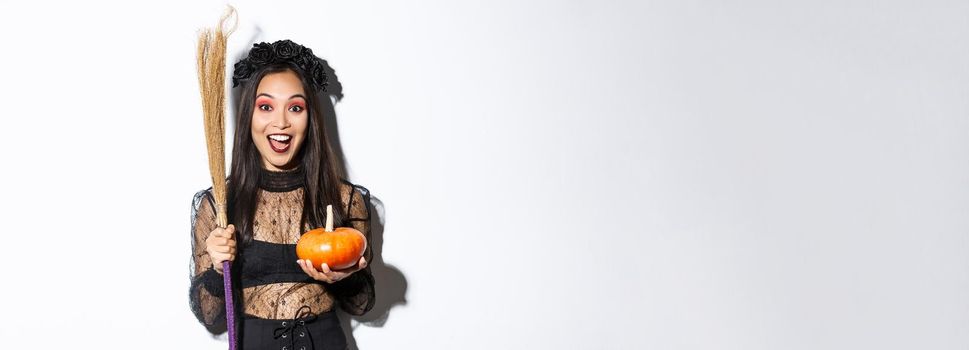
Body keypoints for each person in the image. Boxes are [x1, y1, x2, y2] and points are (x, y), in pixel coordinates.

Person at [189, 39, 375, 350]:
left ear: (310, 118)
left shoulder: (344, 198)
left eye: (295, 107)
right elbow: (210, 316)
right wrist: (217, 268)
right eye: (266, 107)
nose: (281, 122)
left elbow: (362, 304)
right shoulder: (219, 204)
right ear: (249, 115)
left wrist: (346, 278)